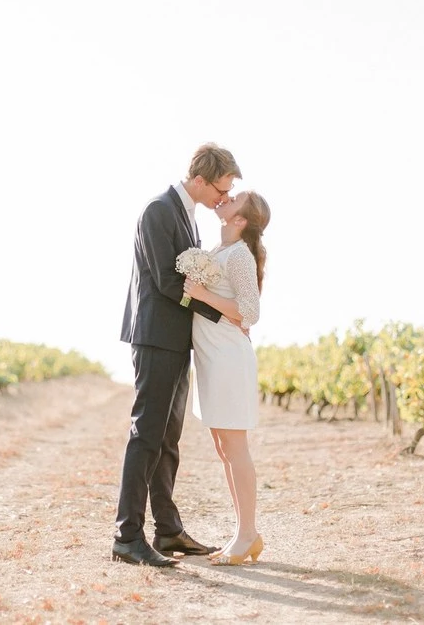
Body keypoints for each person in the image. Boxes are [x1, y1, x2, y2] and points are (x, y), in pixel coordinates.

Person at [113, 143, 243, 567]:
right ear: (201, 180)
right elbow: (170, 283)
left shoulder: (185, 214)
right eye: (221, 188)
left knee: (168, 439)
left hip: (176, 339)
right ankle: (127, 536)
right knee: (146, 434)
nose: (223, 198)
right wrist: (219, 313)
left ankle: (167, 530)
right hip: (154, 337)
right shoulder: (157, 211)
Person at [181, 190, 271, 566]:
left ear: (241, 220)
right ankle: (243, 533)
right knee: (223, 447)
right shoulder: (219, 250)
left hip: (228, 358)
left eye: (235, 199)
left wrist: (201, 294)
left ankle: (248, 533)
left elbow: (250, 312)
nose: (226, 197)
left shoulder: (239, 256)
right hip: (211, 357)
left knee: (236, 448)